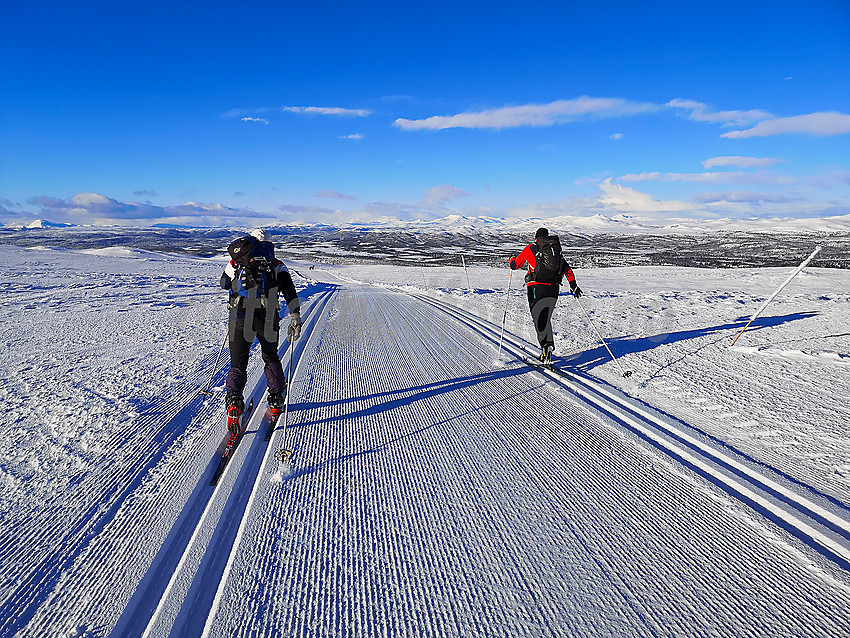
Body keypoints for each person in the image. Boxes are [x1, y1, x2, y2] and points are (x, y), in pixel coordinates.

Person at [220, 228, 302, 432]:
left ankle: (234, 405)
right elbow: (289, 290)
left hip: (240, 316)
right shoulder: (276, 264)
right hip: (267, 315)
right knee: (270, 357)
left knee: (238, 364)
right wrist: (295, 316)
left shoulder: (235, 261)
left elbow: (223, 284)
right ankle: (275, 401)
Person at [510, 227, 582, 363]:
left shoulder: (531, 248)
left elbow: (515, 265)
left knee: (539, 318)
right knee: (545, 317)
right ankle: (548, 346)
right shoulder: (555, 251)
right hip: (554, 289)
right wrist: (573, 285)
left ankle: (546, 347)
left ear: (536, 238)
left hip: (536, 287)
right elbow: (567, 269)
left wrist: (512, 259)